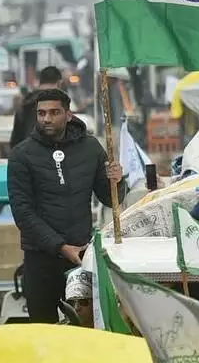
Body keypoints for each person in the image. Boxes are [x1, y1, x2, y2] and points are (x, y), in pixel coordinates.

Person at [7, 89, 123, 324]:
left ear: (68, 115)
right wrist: (60, 247)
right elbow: (23, 213)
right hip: (40, 258)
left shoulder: (91, 148)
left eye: (53, 112)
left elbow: (111, 199)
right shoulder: (21, 155)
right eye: (41, 113)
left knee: (85, 329)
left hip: (80, 257)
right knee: (44, 332)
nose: (46, 119)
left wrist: (118, 181)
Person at [9, 66, 64, 149]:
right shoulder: (61, 104)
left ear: (40, 82)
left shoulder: (25, 103)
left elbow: (15, 139)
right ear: (59, 83)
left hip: (27, 155)